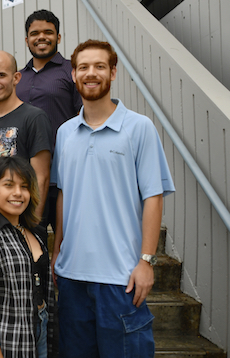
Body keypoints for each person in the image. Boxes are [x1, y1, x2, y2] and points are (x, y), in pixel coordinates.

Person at [51, 40, 175, 357]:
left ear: (113, 73)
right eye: (83, 67)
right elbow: (64, 194)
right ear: (74, 74)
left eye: (99, 66)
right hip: (72, 278)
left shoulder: (139, 128)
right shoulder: (65, 132)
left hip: (122, 279)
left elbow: (153, 197)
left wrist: (146, 262)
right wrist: (57, 253)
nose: (91, 73)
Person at [0, 156, 55, 358]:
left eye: (24, 187)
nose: (18, 193)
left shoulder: (33, 233)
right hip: (4, 342)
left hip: (36, 332)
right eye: (8, 185)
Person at [15, 10, 82, 230]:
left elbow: (84, 118)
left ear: (58, 37)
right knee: (31, 244)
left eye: (48, 32)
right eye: (35, 33)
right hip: (24, 178)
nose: (41, 37)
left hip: (64, 177)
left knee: (68, 244)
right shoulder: (19, 78)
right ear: (27, 40)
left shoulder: (72, 71)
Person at [0, 50, 53, 225]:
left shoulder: (34, 118)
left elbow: (41, 179)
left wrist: (31, 230)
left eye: (1, 75)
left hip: (23, 224)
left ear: (16, 78)